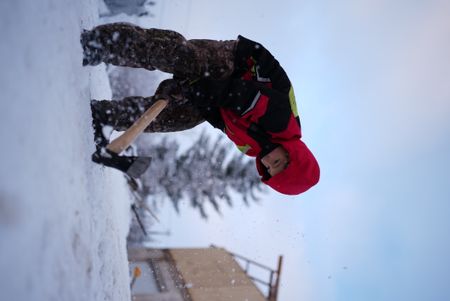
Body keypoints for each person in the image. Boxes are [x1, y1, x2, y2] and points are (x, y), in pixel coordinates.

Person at [81, 23, 320, 195]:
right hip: (239, 63)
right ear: (292, 154)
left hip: (222, 95)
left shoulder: (250, 148)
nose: (267, 161)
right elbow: (237, 94)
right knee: (183, 58)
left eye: (268, 169)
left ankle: (107, 115)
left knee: (177, 117)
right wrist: (197, 87)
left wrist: (184, 94)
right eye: (277, 163)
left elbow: (219, 118)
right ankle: (100, 44)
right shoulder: (281, 121)